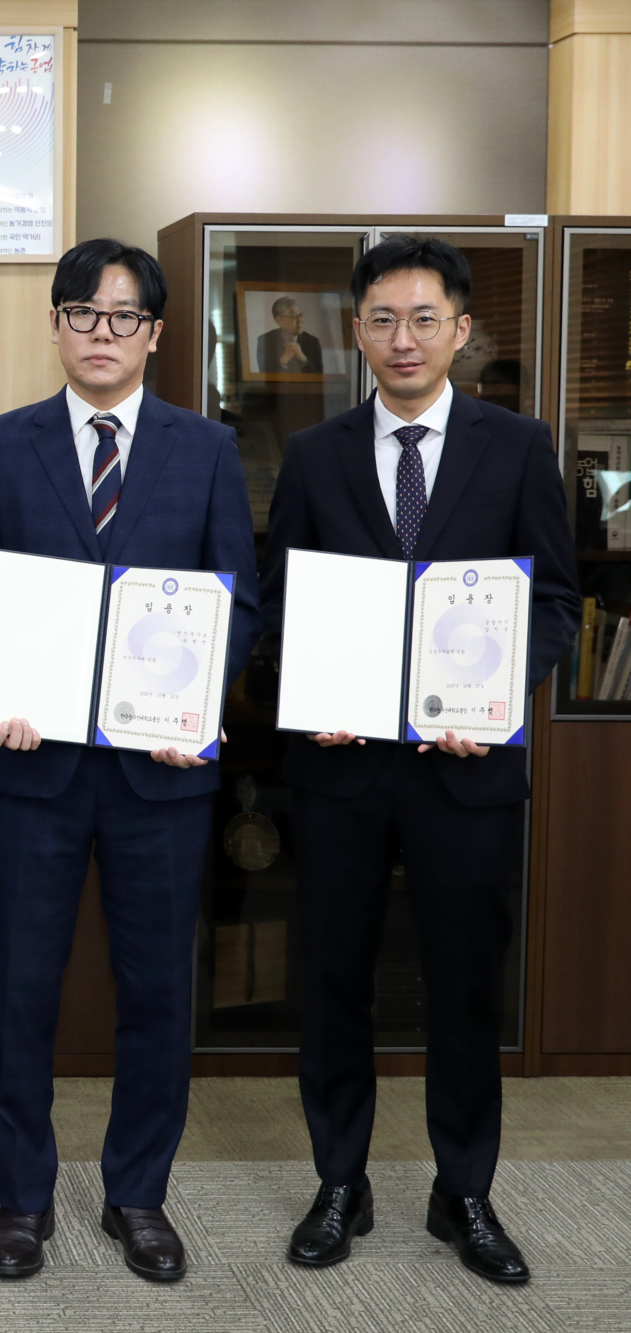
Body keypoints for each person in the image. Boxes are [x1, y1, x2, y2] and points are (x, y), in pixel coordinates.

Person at [261, 236, 579, 1284]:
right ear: (355, 331)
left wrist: (493, 705)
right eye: (383, 320)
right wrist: (309, 694)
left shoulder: (516, 444)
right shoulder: (312, 456)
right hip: (341, 769)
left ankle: (463, 1191)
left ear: (457, 330)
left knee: (459, 984)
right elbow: (278, 604)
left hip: (464, 765)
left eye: (423, 318)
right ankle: (338, 1180)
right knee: (333, 978)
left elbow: (552, 604)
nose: (403, 338)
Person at [0, 239, 261, 1283]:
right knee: (18, 993)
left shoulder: (204, 448)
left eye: (121, 317)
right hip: (32, 773)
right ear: (54, 324)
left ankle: (137, 1194)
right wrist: (1, 695)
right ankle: (21, 1200)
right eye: (80, 313)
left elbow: (236, 601)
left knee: (154, 992)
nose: (99, 334)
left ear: (155, 333)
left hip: (158, 775)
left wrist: (196, 702)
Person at [258, 296, 325, 374]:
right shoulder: (265, 341)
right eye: (293, 316)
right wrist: (283, 360)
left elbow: (320, 378)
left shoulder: (313, 342)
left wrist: (302, 358)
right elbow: (264, 377)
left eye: (300, 315)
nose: (300, 321)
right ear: (278, 320)